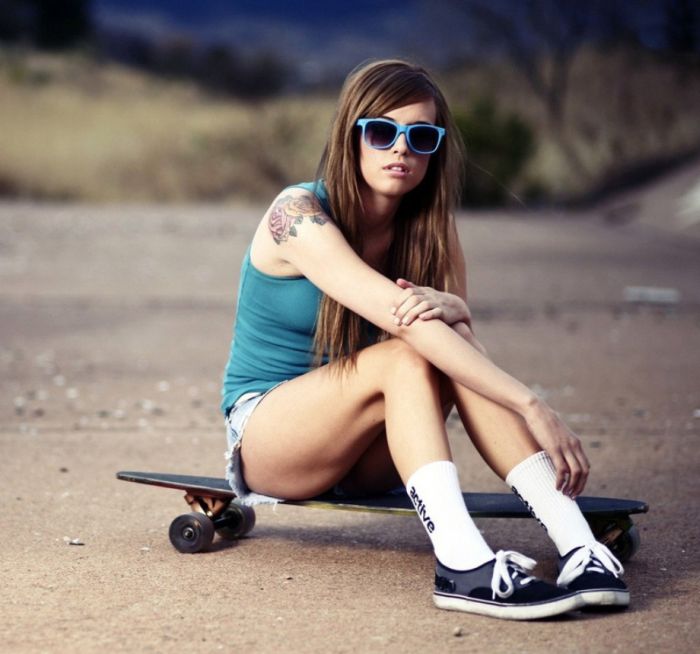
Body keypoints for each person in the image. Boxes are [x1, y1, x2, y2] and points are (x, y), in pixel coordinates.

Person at [220, 59, 628, 620]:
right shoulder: (298, 214)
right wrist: (531, 404)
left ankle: (581, 548)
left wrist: (457, 309)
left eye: (421, 136)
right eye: (382, 131)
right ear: (351, 136)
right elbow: (402, 320)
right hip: (275, 438)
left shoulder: (432, 232)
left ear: (436, 148)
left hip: (370, 450)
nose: (401, 149)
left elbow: (455, 352)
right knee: (408, 354)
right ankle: (461, 564)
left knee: (444, 352)